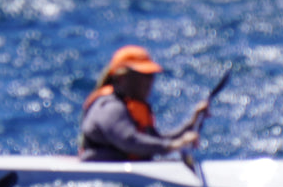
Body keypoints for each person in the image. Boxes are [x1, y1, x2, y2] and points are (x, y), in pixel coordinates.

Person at [78, 45, 211, 161]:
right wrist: (174, 146)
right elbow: (129, 141)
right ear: (121, 79)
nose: (149, 82)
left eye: (151, 76)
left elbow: (156, 140)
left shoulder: (131, 106)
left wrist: (192, 123)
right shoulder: (109, 107)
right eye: (143, 76)